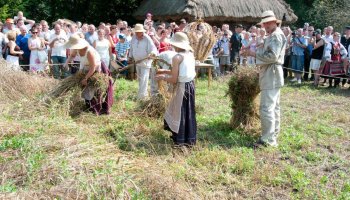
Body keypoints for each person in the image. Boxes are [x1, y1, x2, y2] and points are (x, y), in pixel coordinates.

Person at [242, 10, 286, 147]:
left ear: (275, 22)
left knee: (267, 108)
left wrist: (253, 53)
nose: (265, 25)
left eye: (268, 22)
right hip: (271, 72)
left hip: (271, 73)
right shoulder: (273, 35)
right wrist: (260, 48)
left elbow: (272, 57)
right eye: (264, 23)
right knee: (274, 107)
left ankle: (268, 140)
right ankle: (273, 135)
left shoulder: (276, 36)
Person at [155, 32, 197, 147]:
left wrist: (162, 77)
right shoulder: (190, 54)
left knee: (180, 112)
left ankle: (181, 139)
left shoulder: (176, 57)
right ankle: (189, 138)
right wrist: (164, 71)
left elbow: (174, 79)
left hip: (182, 86)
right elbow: (179, 73)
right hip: (190, 85)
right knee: (187, 111)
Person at [64, 34, 114, 115]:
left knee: (93, 88)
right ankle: (89, 107)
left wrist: (86, 78)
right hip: (86, 68)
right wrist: (67, 62)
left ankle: (96, 109)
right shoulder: (77, 48)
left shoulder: (89, 51)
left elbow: (93, 67)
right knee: (85, 89)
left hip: (97, 69)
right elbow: (72, 55)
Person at [128, 24, 158, 99]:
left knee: (144, 79)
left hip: (145, 62)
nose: (137, 34)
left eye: (139, 32)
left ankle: (142, 97)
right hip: (137, 62)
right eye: (136, 32)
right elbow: (131, 48)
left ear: (142, 32)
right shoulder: (134, 38)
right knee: (140, 78)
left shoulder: (147, 38)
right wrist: (130, 57)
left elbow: (153, 48)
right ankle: (142, 93)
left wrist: (152, 53)